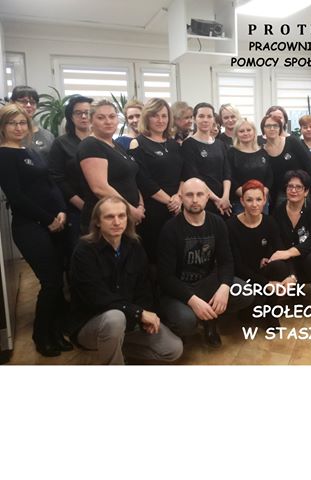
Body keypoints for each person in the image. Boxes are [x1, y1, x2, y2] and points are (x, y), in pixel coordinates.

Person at [68, 196, 183, 365]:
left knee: (173, 349)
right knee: (115, 318)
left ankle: (114, 346)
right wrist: (138, 313)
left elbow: (144, 288)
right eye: (109, 217)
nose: (117, 222)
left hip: (129, 321)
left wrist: (145, 315)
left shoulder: (134, 245)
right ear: (97, 222)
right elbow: (96, 298)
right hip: (92, 323)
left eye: (121, 216)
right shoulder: (84, 251)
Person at [0, 104, 71, 356]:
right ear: (2, 127)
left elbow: (51, 184)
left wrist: (62, 210)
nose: (18, 127)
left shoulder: (29, 150)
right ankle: (41, 335)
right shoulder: (4, 155)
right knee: (50, 282)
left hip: (54, 223)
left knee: (58, 280)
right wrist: (48, 219)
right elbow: (17, 197)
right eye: (12, 123)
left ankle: (56, 330)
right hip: (30, 227)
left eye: (22, 122)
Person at [157, 178, 252, 347]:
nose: (195, 200)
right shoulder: (170, 229)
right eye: (189, 195)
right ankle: (182, 326)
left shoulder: (217, 223)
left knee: (245, 292)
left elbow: (226, 261)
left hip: (208, 281)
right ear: (181, 198)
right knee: (186, 322)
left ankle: (211, 320)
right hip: (180, 287)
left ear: (207, 197)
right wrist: (192, 300)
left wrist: (224, 287)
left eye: (199, 194)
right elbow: (166, 278)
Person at [226, 180, 296, 324]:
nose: (254, 204)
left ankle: (270, 310)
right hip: (242, 277)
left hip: (261, 271)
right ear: (242, 201)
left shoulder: (270, 222)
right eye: (249, 200)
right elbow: (236, 266)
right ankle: (252, 307)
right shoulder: (231, 225)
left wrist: (292, 276)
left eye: (258, 199)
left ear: (264, 200)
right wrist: (266, 284)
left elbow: (282, 251)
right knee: (248, 316)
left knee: (280, 266)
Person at [271, 170, 311, 324]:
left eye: (298, 187)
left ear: (306, 191)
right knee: (276, 260)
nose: (293, 190)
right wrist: (290, 267)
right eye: (290, 186)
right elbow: (277, 242)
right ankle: (295, 294)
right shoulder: (278, 211)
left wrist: (290, 252)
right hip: (290, 259)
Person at [128, 98, 189, 263]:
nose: (160, 120)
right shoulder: (137, 143)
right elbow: (143, 180)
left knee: (178, 253)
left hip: (178, 206)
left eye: (164, 116)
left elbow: (184, 174)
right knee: (155, 257)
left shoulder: (174, 144)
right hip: (154, 209)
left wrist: (178, 197)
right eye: (155, 115)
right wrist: (170, 201)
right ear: (146, 117)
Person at [77, 99, 144, 232]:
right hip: (105, 220)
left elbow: (130, 178)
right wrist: (130, 210)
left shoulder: (116, 145)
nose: (108, 121)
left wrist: (140, 205)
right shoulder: (90, 145)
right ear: (91, 121)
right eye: (101, 118)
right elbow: (100, 188)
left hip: (127, 217)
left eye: (112, 116)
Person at [48, 94, 92, 249]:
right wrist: (82, 205)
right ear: (70, 117)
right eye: (78, 113)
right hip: (76, 209)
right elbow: (57, 178)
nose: (84, 116)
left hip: (104, 207)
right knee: (81, 252)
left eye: (88, 112)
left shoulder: (101, 141)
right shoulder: (61, 143)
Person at [180, 102, 232, 217]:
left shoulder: (220, 144)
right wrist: (215, 199)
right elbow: (193, 175)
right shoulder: (188, 145)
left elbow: (227, 173)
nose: (205, 120)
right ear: (194, 119)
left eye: (209, 116)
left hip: (223, 201)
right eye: (201, 116)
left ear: (214, 119)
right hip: (201, 201)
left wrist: (225, 197)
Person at [261, 113, 311, 210]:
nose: (272, 128)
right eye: (268, 126)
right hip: (278, 195)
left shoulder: (292, 141)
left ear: (280, 128)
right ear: (263, 129)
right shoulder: (262, 150)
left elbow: (308, 165)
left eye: (275, 126)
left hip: (299, 190)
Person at [229, 118, 272, 215]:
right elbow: (230, 176)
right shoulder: (231, 153)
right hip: (240, 202)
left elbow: (269, 176)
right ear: (236, 134)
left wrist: (263, 193)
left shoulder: (263, 152)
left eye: (248, 130)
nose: (245, 133)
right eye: (241, 131)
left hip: (261, 201)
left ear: (254, 132)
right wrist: (246, 195)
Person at [11, 85, 54, 159]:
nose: (29, 105)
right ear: (12, 103)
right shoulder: (3, 134)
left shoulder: (47, 136)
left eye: (32, 102)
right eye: (23, 101)